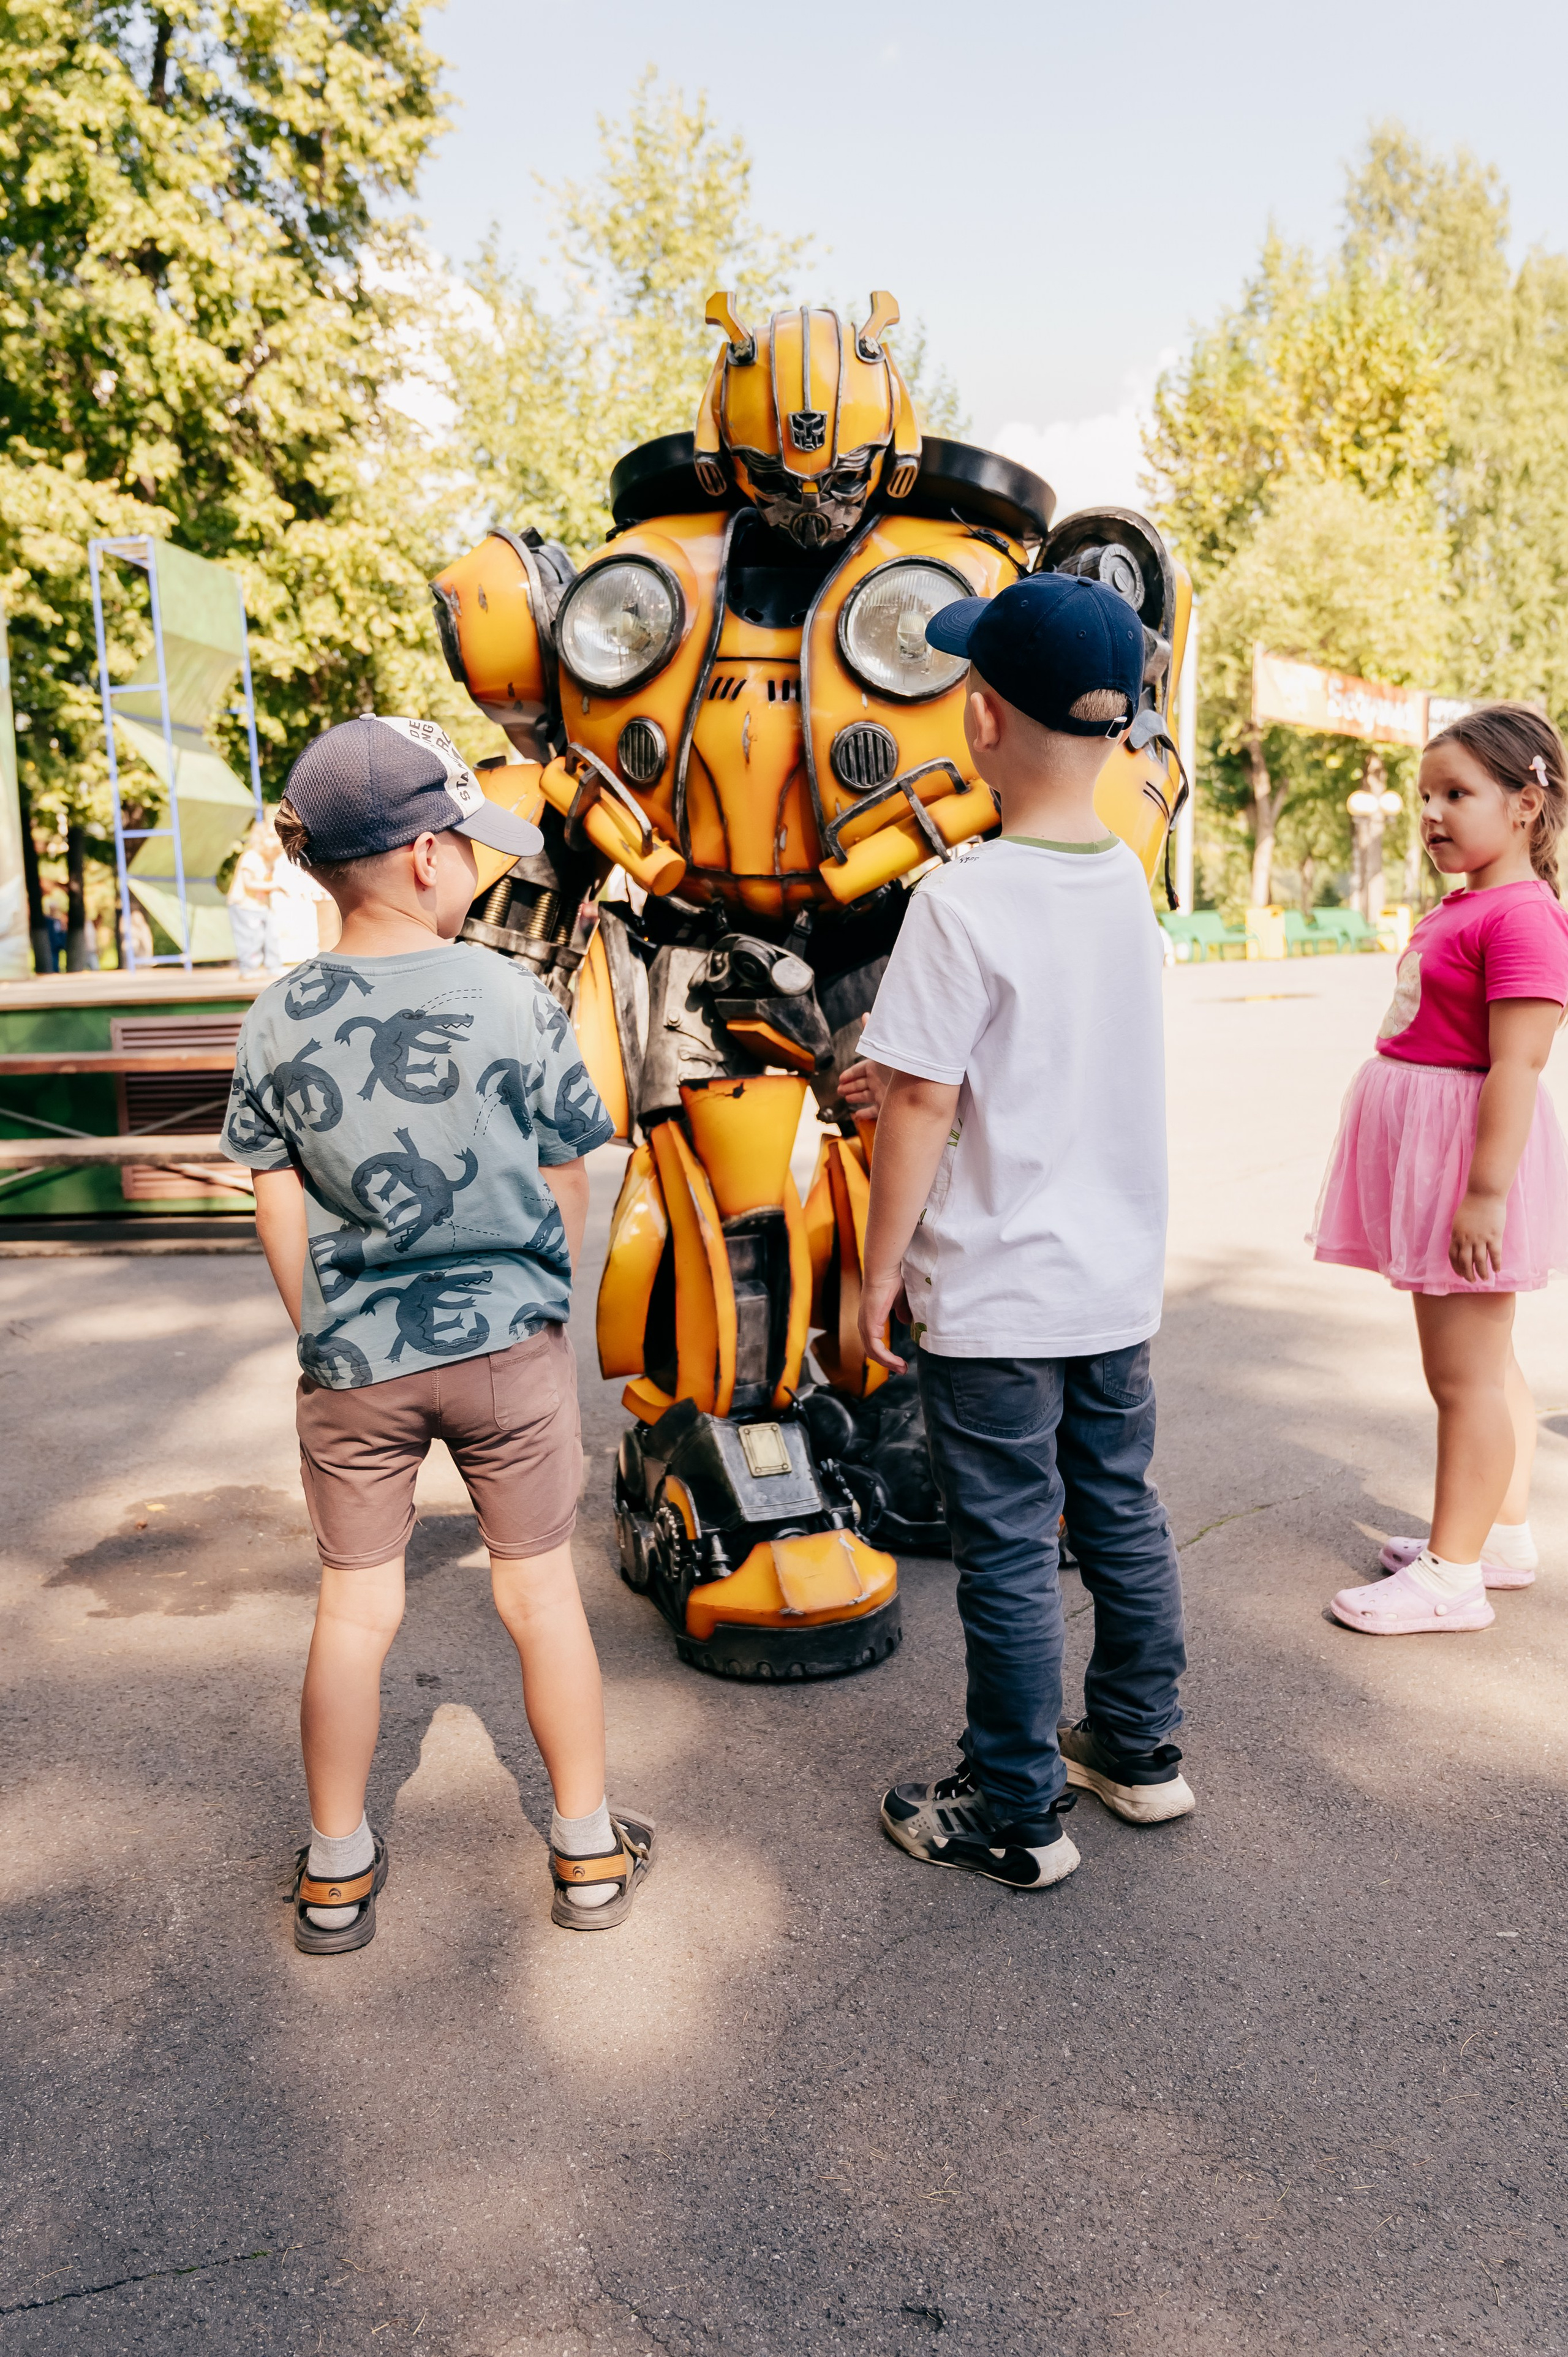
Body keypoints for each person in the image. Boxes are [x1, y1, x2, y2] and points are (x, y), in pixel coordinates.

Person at [222, 713, 654, 1953]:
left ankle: (337, 1866)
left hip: (355, 1361)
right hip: (506, 1352)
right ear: (423, 856)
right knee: (539, 1599)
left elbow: (275, 1191)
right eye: (473, 845)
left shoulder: (278, 1015)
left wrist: (323, 1327)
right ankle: (584, 1845)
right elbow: (570, 1165)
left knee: (354, 1608)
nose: (484, 867)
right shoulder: (512, 996)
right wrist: (542, 1300)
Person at [854, 573, 1194, 1896]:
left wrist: (877, 1274)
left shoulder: (959, 897)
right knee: (1118, 1512)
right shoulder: (1121, 882)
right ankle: (1136, 1747)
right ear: (1114, 734)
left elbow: (923, 1102)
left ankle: (1010, 1805)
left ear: (980, 717)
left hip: (995, 1290)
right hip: (1112, 1284)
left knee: (1003, 1545)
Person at [1313, 706, 1568, 1634]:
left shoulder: (1526, 920)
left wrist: (1486, 1195)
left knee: (1459, 1377)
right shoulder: (1467, 905)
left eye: (1458, 794)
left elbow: (1519, 1064)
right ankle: (1498, 1536)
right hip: (1437, 1155)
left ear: (1527, 804)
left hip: (1470, 1163)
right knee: (1485, 1359)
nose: (1432, 814)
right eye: (1426, 796)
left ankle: (1452, 1576)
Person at [226, 818, 276, 974]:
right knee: (250, 938)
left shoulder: (268, 860)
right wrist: (275, 886)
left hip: (260, 906)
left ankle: (273, 966)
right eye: (272, 837)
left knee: (270, 935)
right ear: (262, 840)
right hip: (245, 905)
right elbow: (249, 883)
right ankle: (248, 969)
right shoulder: (251, 857)